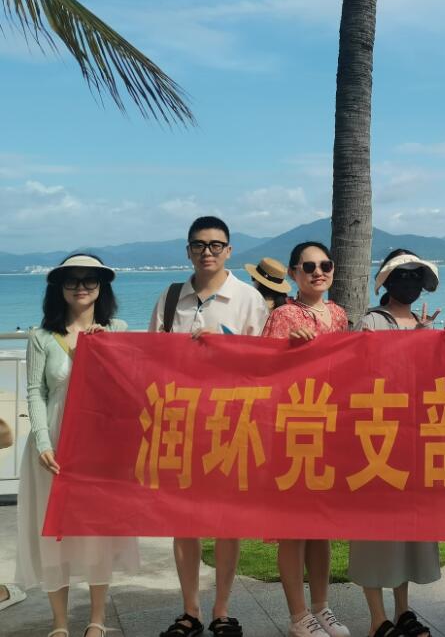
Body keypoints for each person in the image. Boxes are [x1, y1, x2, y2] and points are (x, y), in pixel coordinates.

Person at [150, 216, 269, 637]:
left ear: (229, 251)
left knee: (226, 521)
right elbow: (151, 358)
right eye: (199, 245)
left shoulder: (249, 298)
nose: (207, 252)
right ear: (188, 251)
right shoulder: (170, 298)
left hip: (231, 423)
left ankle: (221, 609)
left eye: (216, 245)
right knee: (183, 521)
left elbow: (264, 365)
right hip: (180, 423)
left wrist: (223, 349)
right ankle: (190, 611)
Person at [14, 254, 139, 637]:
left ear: (102, 287)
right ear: (59, 287)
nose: (81, 287)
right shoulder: (41, 336)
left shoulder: (117, 329)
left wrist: (108, 348)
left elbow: (130, 384)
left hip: (99, 448)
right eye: (72, 280)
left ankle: (97, 618)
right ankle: (60, 623)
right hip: (53, 449)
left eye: (89, 280)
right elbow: (36, 392)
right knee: (53, 531)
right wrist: (43, 441)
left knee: (96, 531)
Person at [350, 249, 442, 637]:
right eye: (402, 276)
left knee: (407, 529)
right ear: (387, 281)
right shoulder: (370, 321)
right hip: (377, 436)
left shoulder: (425, 323)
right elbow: (361, 371)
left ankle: (403, 610)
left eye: (416, 277)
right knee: (374, 531)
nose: (410, 283)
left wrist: (429, 341)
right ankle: (377, 617)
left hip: (414, 438)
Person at [261, 242, 351, 637]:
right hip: (293, 428)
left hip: (330, 428)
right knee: (293, 526)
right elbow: (263, 371)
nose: (318, 272)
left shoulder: (338, 314)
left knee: (321, 526)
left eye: (325, 265)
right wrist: (288, 350)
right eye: (309, 266)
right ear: (294, 273)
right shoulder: (282, 316)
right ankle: (298, 615)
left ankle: (321, 607)